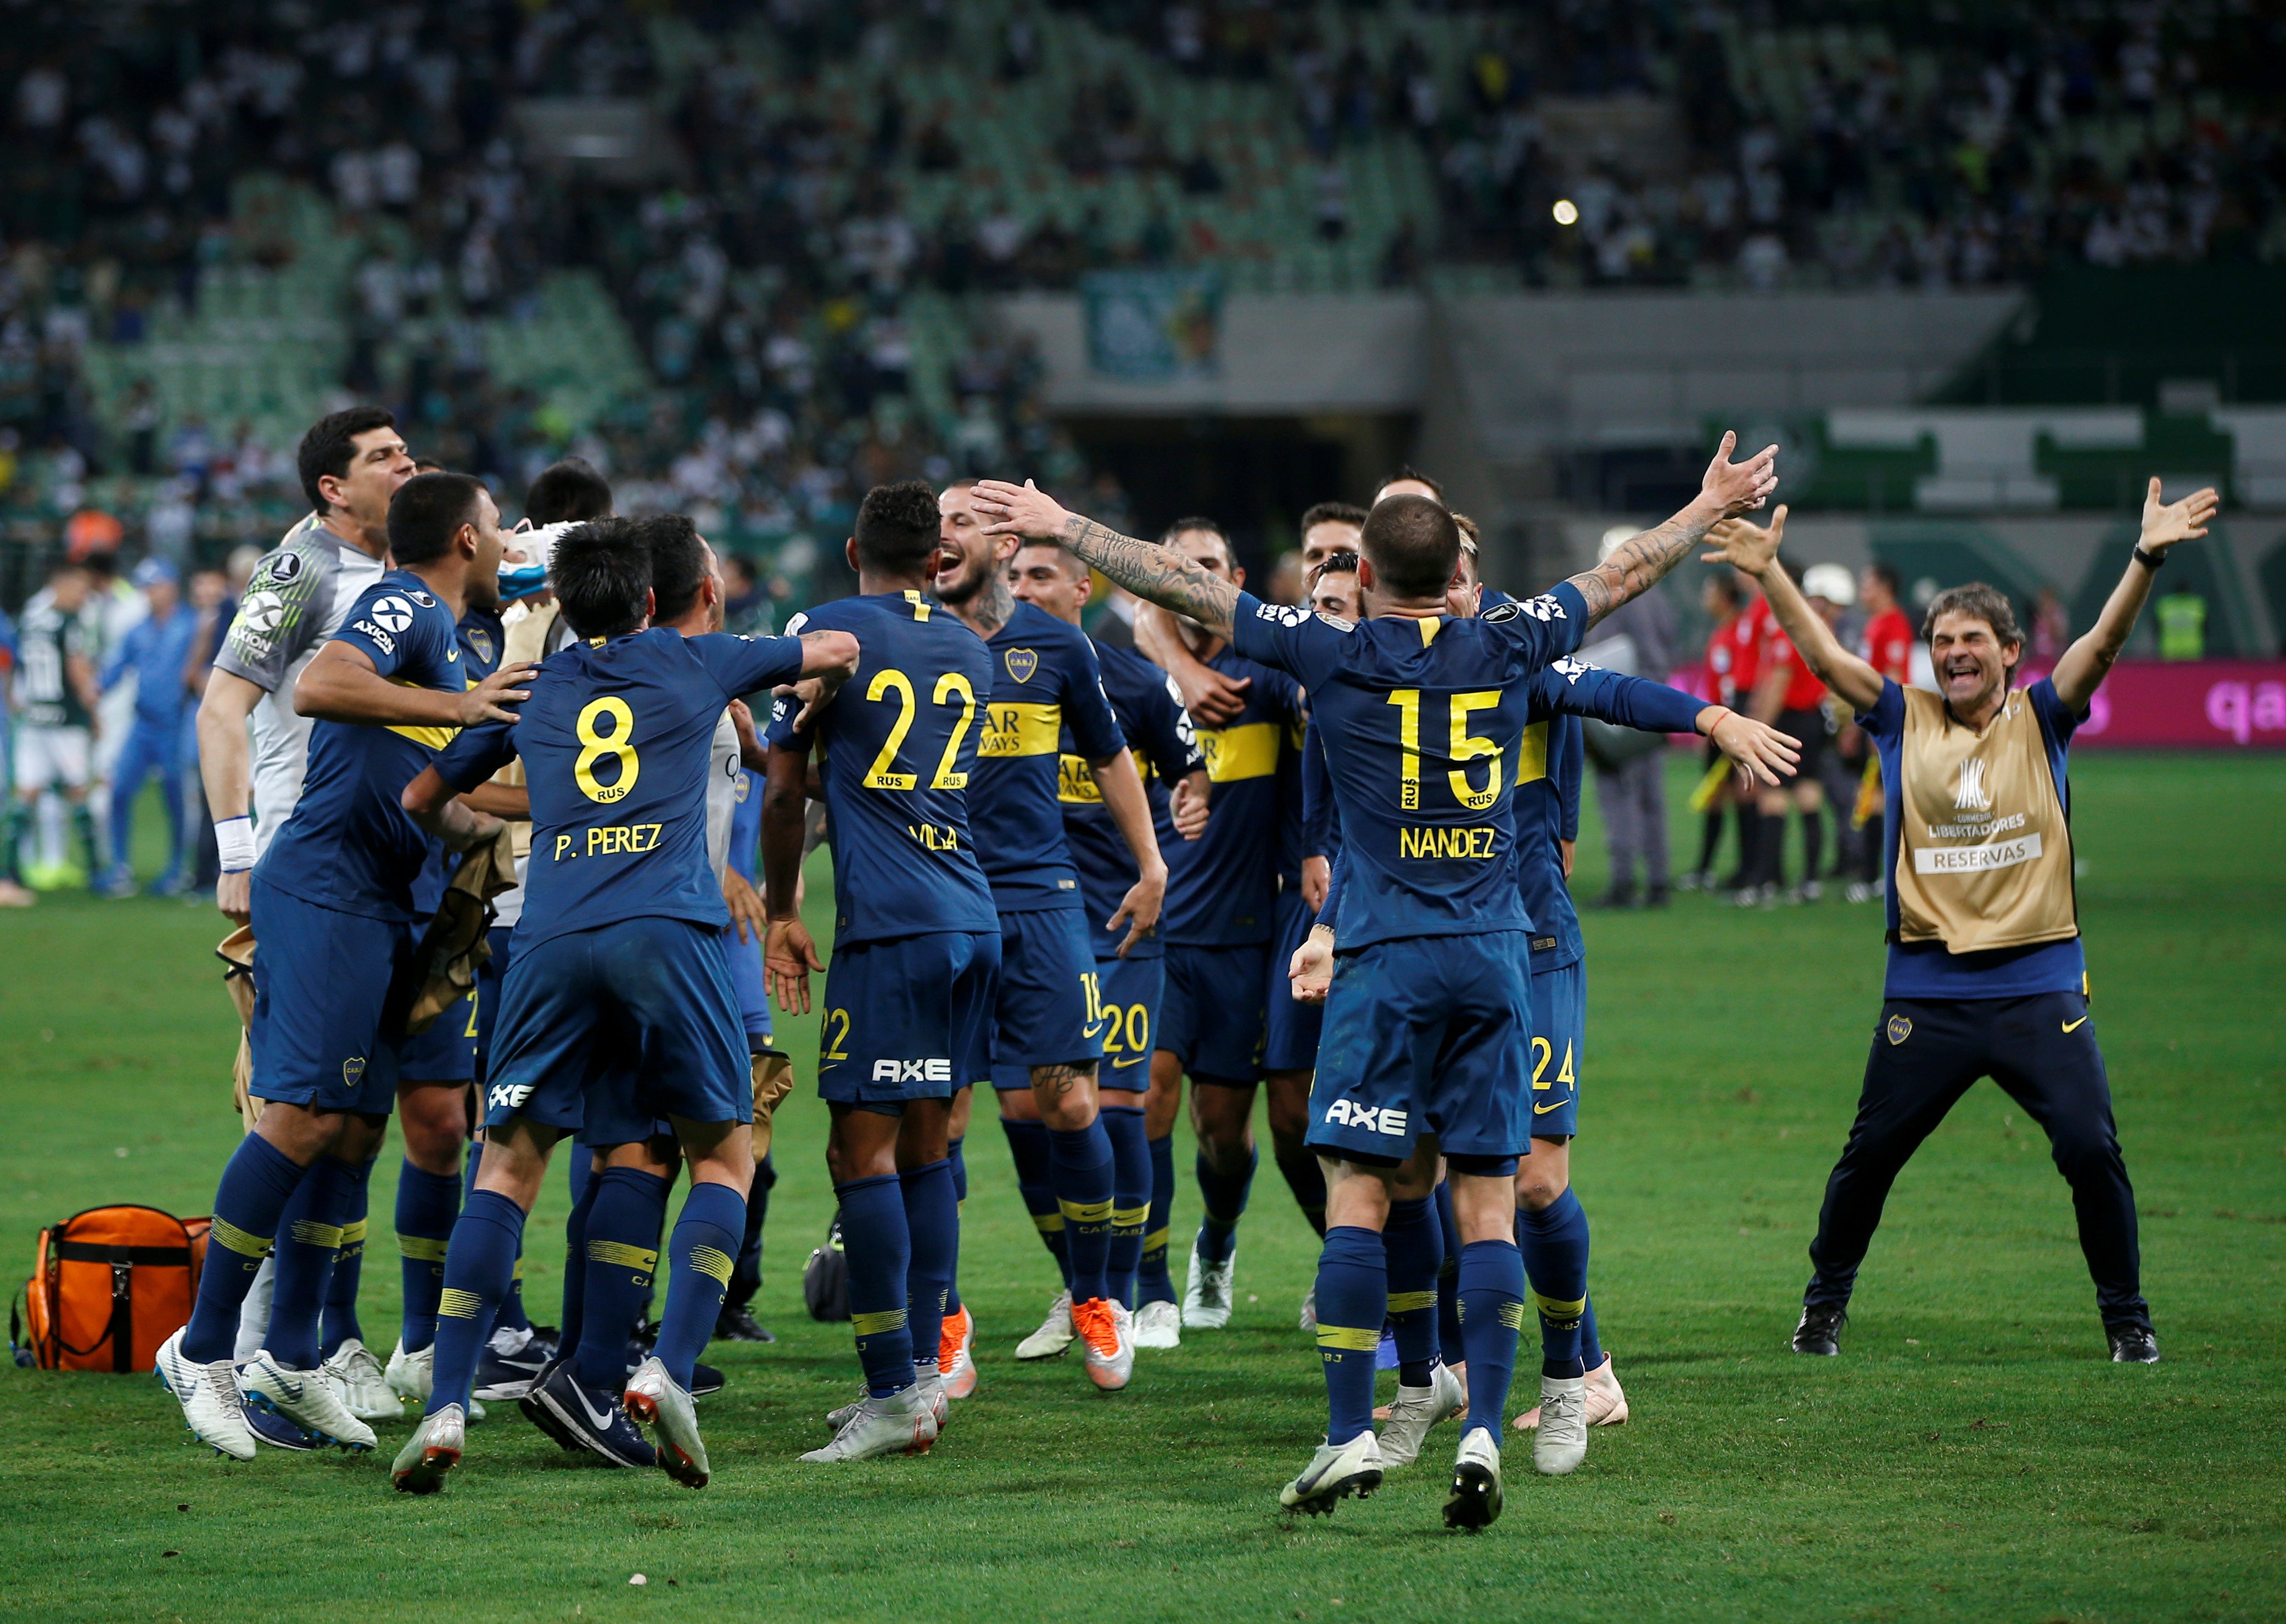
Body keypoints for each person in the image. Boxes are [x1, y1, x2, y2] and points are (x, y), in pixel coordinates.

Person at [971, 428, 1780, 1526]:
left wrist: (1066, 527)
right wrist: (1704, 505)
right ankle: (1484, 1423)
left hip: (1385, 958)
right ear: (1456, 572)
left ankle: (1353, 1427)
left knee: (1362, 1192)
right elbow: (1624, 571)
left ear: (1367, 574)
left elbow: (1184, 585)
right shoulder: (1505, 640)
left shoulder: (1328, 650)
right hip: (1495, 954)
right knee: (1487, 1208)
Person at [1700, 477, 2218, 1367]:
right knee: (1866, 1158)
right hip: (1927, 993)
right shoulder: (1903, 717)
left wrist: (2141, 558)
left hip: (2035, 983)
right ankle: (1821, 1305)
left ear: (2009, 650)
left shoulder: (2041, 716)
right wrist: (1770, 575)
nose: (1951, 653)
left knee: (2090, 1148)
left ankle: (2124, 1315)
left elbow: (2101, 641)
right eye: (1940, 642)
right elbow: (1825, 663)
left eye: (1970, 639)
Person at [392, 517, 851, 1492]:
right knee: (722, 1154)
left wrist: (549, 804)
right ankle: (667, 1367)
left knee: (507, 1167)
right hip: (667, 930)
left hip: (551, 935)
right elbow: (835, 646)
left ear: (563, 605)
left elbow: (422, 794)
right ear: (649, 601)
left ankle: (444, 1405)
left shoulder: (533, 688)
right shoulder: (697, 660)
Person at [155, 470, 523, 1460]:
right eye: (495, 529)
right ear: (462, 536)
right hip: (324, 890)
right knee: (302, 1116)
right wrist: (463, 703)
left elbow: (424, 803)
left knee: (356, 1132)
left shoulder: (456, 643)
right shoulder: (400, 601)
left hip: (389, 901)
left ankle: (293, 1357)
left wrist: (531, 817)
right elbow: (317, 685)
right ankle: (204, 1350)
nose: (504, 546)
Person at [758, 480, 996, 1462]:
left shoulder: (829, 628)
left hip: (891, 928)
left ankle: (891, 1389)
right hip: (970, 917)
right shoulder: (970, 646)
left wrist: (781, 908)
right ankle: (921, 1380)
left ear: (854, 545)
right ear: (938, 558)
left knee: (858, 1155)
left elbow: (782, 786)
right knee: (927, 1149)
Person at [933, 480, 1163, 1393]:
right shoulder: (896, 639)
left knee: (1071, 1102)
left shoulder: (1057, 646)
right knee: (937, 1114)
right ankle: (944, 1318)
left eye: (963, 521)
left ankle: (1095, 1294)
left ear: (997, 540)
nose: (945, 537)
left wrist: (1148, 861)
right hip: (936, 902)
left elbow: (1109, 755)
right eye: (936, 523)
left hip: (1040, 901)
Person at [1007, 539, 1208, 1357]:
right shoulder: (986, 674)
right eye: (1014, 575)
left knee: (1120, 1107)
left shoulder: (1133, 681)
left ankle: (1130, 1295)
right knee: (1026, 1110)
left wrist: (1171, 843)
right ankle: (1082, 1283)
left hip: (1118, 925)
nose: (1024, 588)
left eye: (1042, 575)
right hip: (1029, 925)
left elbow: (1190, 775)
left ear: (1083, 588)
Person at [1129, 518, 1307, 1332]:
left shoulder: (1264, 676)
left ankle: (1218, 1239)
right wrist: (1174, 663)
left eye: (1209, 566)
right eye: (1178, 568)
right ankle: (1154, 1283)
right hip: (1156, 932)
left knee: (1223, 1132)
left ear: (1235, 575)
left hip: (1243, 934)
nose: (1194, 580)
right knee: (1150, 1103)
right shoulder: (1132, 673)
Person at [1581, 531, 1680, 909]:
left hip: (1623, 707)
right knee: (1651, 799)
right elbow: (1667, 650)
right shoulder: (1659, 598)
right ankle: (1658, 882)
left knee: (1619, 797)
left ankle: (1624, 881)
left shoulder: (1621, 598)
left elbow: (1607, 657)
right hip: (1653, 704)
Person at [96, 559, 199, 896]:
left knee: (176, 798)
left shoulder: (192, 625)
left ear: (170, 587)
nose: (149, 594)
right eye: (146, 588)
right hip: (143, 724)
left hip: (177, 722)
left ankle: (177, 869)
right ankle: (120, 868)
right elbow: (113, 673)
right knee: (120, 790)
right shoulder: (138, 630)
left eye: (154, 586)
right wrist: (91, 693)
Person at [1740, 561, 1839, 904]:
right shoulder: (1817, 628)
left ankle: (1767, 882)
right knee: (1809, 796)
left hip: (1789, 722)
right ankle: (1810, 881)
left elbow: (1778, 685)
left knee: (1772, 801)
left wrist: (1757, 727)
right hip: (1814, 721)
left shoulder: (1789, 629)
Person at [5, 559, 102, 891]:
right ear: (60, 585)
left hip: (34, 719)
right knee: (78, 790)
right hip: (65, 718)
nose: (83, 595)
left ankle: (10, 870)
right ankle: (96, 871)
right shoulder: (69, 621)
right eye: (78, 587)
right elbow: (77, 669)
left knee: (27, 793)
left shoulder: (30, 618)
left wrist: (15, 702)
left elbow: (15, 665)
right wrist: (93, 710)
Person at [1847, 562, 1913, 904]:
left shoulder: (1894, 624)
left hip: (1884, 723)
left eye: (1867, 583)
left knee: (1881, 800)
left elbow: (1893, 678)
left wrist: (1884, 729)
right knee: (1872, 798)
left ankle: (1876, 876)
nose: (1863, 590)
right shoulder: (1877, 623)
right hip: (1871, 720)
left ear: (1884, 587)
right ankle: (1873, 875)